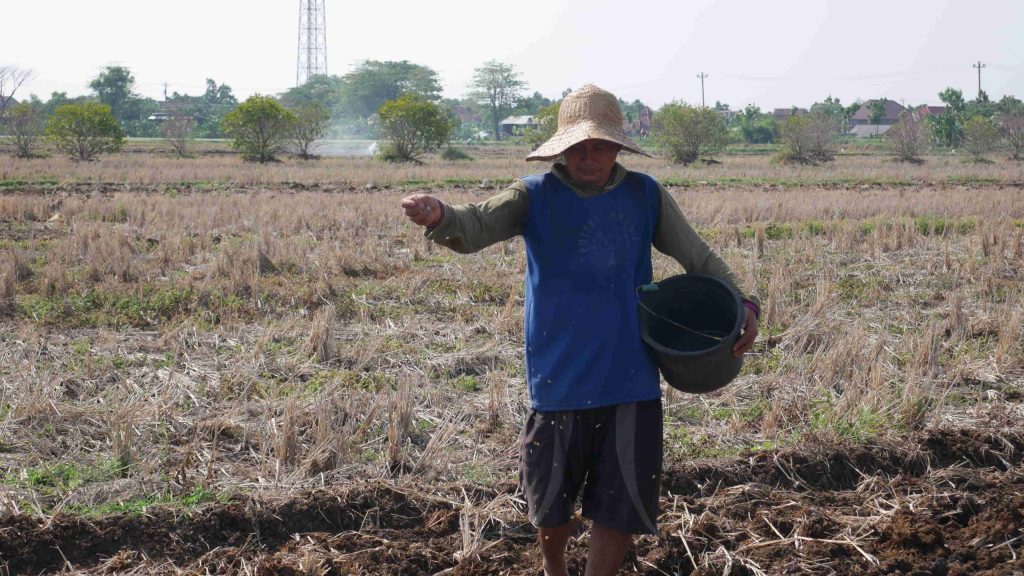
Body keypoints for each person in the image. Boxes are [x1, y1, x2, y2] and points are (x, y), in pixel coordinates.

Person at [401, 84, 759, 576]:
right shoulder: (532, 196)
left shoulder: (645, 195)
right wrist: (440, 214)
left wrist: (744, 302)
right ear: (562, 150)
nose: (590, 157)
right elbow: (476, 225)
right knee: (550, 504)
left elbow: (699, 257)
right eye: (579, 147)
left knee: (621, 504)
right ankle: (555, 568)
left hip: (630, 375)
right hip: (559, 376)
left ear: (617, 148)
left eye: (600, 146)